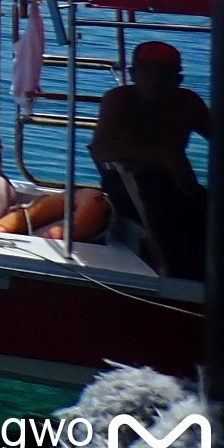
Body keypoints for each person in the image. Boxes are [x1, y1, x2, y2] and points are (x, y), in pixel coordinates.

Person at [90, 40, 210, 279]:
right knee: (164, 211)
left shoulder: (186, 102)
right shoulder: (120, 99)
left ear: (177, 80)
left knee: (208, 209)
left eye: (164, 73)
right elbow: (101, 150)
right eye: (147, 71)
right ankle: (181, 280)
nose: (155, 80)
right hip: (127, 183)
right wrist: (163, 155)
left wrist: (175, 167)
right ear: (133, 73)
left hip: (177, 185)